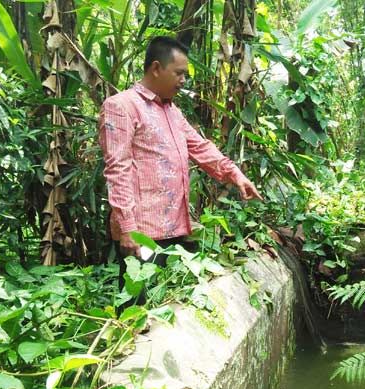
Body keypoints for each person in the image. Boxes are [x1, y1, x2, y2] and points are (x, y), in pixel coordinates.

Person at [99, 36, 262, 302]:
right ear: (155, 68)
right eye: (179, 73)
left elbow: (200, 147)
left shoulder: (172, 111)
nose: (183, 80)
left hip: (173, 227)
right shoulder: (121, 106)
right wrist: (127, 228)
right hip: (142, 231)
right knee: (137, 305)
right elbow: (117, 170)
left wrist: (236, 175)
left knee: (165, 304)